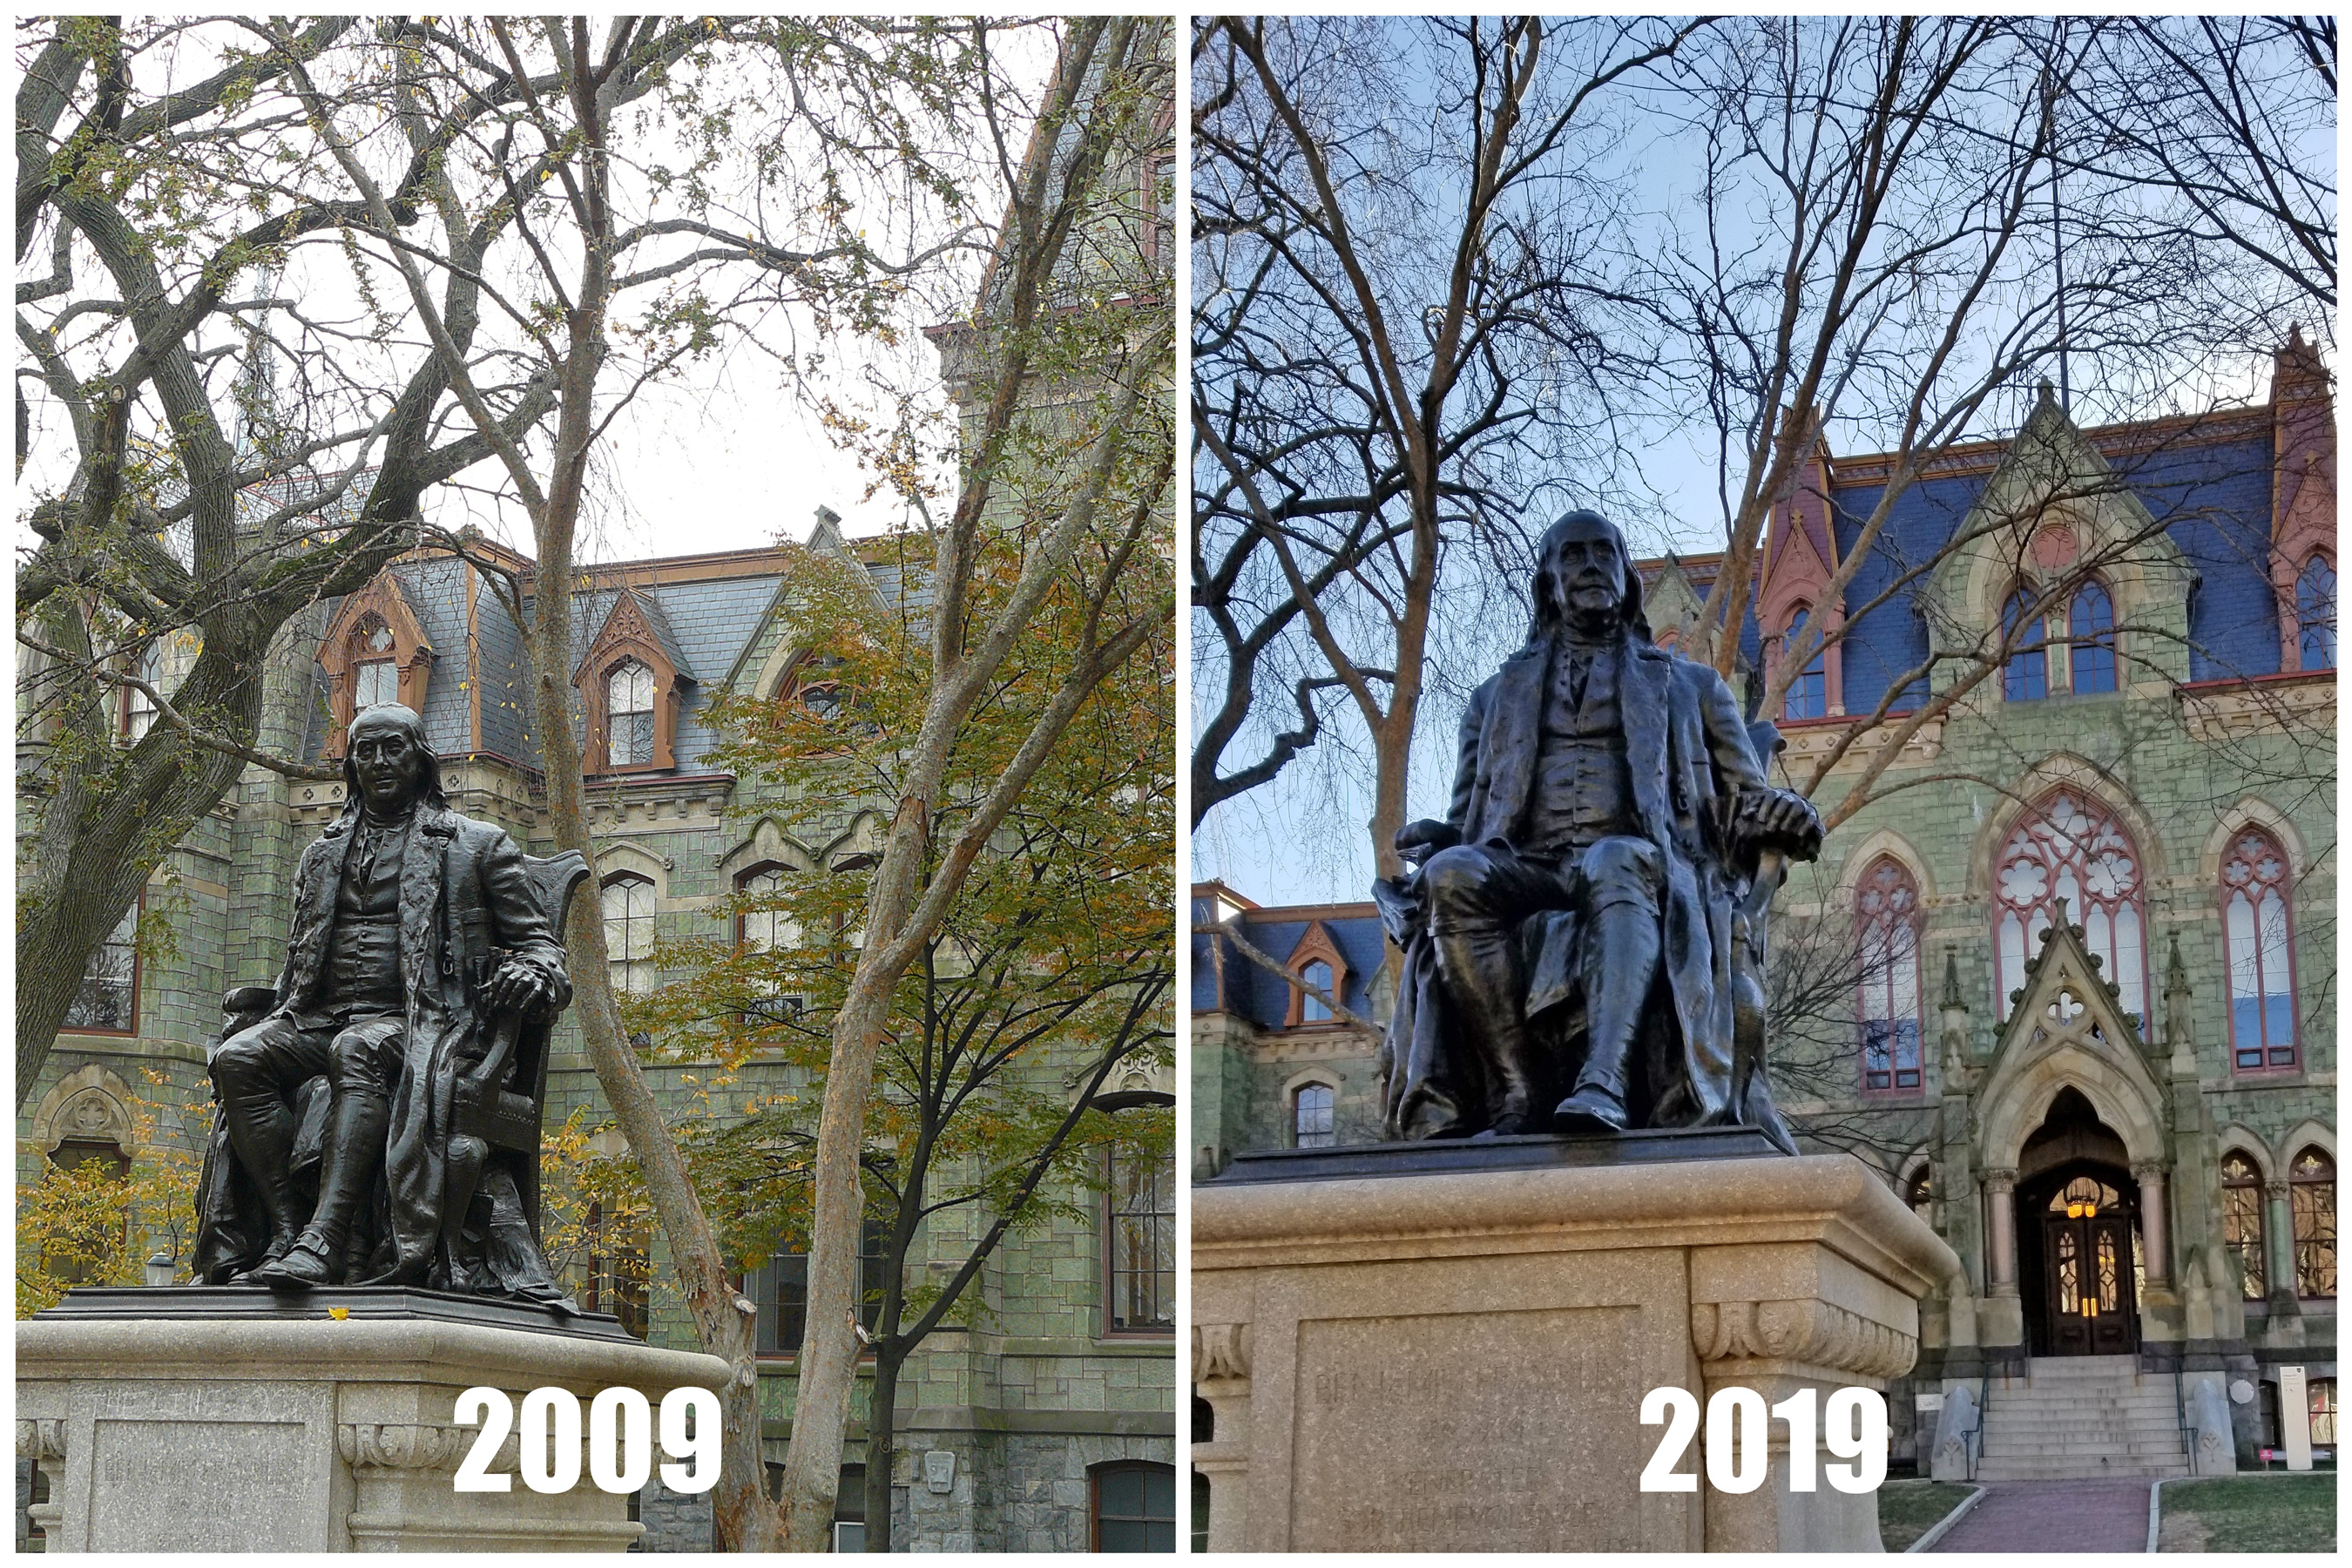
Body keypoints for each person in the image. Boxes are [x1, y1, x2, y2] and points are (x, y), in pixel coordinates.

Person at [1377, 509, 1822, 1140]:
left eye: (1603, 554)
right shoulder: (1493, 698)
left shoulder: (1691, 687)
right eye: (1572, 555)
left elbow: (1743, 799)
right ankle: (1517, 1087)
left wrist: (1792, 814)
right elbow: (1468, 822)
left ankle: (1604, 1080)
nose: (1590, 566)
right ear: (1548, 583)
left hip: (1642, 862)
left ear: (1626, 577)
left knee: (1615, 857)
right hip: (1528, 866)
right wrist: (1439, 841)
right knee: (1451, 876)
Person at [194, 703, 571, 1295]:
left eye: (392, 747)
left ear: (421, 761)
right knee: (237, 1058)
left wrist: (532, 973)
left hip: (428, 1024)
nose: (378, 761)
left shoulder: (475, 846)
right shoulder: (320, 853)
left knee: (358, 1048)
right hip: (319, 1016)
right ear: (351, 765)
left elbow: (541, 946)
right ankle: (286, 1232)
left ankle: (327, 1237)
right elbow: (300, 962)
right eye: (364, 750)